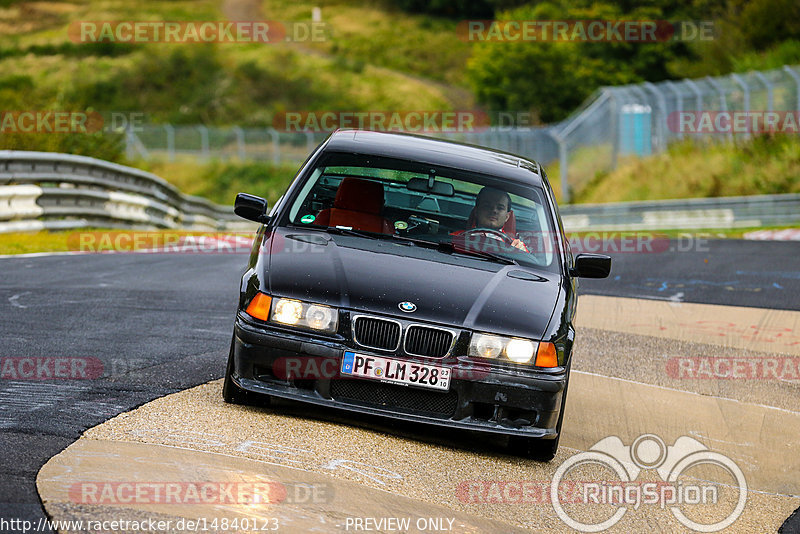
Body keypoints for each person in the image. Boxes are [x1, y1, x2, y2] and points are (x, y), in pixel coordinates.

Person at [457, 186, 528, 251]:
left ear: (507, 217)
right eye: (487, 206)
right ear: (476, 211)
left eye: (500, 208)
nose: (494, 211)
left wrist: (521, 253)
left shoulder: (515, 246)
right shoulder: (457, 238)